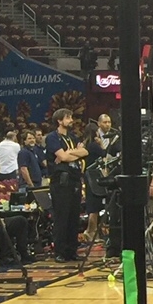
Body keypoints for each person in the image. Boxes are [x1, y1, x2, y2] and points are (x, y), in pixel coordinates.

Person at [45, 108, 87, 261]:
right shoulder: (52, 137)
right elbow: (63, 156)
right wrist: (71, 154)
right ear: (59, 120)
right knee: (62, 217)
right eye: (68, 118)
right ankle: (60, 251)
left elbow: (85, 152)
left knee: (74, 217)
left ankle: (72, 250)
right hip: (60, 182)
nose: (71, 120)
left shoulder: (72, 137)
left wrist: (70, 154)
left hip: (74, 180)